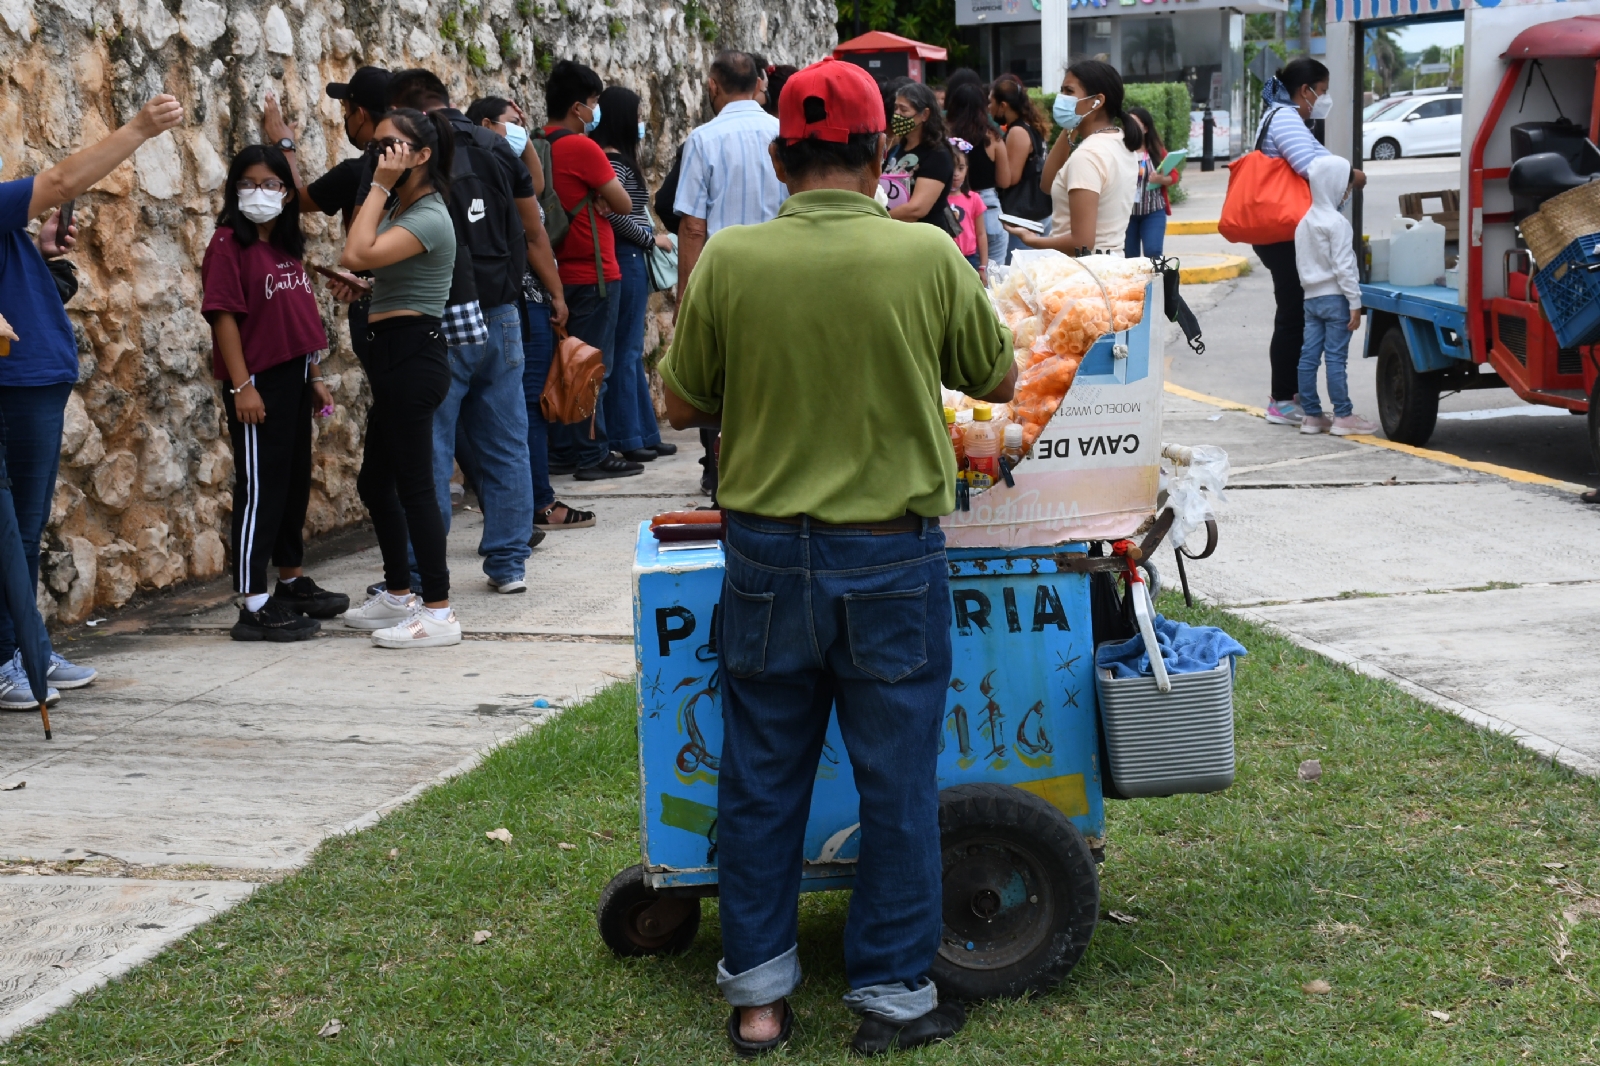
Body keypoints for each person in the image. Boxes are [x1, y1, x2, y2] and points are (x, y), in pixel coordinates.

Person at [658, 56, 1016, 1058]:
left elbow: (682, 400)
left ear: (780, 158)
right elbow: (993, 372)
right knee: (894, 781)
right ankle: (892, 995)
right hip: (891, 559)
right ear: (878, 157)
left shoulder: (731, 259)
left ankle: (762, 996)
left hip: (767, 556)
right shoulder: (925, 253)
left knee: (761, 775)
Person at [0, 91, 182, 706]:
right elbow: (60, 179)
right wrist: (137, 128)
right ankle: (9, 657)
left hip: (35, 380)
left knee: (23, 533)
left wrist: (40, 247)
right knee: (10, 534)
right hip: (12, 383)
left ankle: (30, 649)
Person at [385, 69, 559, 595]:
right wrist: (555, 294)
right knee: (507, 441)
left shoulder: (415, 151)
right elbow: (533, 229)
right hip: (502, 312)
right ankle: (509, 564)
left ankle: (419, 572)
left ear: (409, 110)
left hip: (439, 316)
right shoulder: (497, 147)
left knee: (431, 445)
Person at [202, 145, 348, 642]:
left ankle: (289, 579)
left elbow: (295, 320)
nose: (258, 193)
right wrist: (243, 386)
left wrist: (314, 376)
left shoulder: (285, 246)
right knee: (260, 488)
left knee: (289, 484)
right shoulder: (227, 243)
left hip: (292, 378)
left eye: (271, 185)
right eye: (248, 183)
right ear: (233, 189)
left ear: (287, 194)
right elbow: (223, 316)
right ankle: (253, 603)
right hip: (256, 382)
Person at [336, 109, 462, 648]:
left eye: (392, 145)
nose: (380, 153)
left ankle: (437, 611)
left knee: (414, 489)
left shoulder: (430, 213)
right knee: (375, 482)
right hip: (393, 354)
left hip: (414, 356)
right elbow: (370, 263)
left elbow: (355, 251)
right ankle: (399, 593)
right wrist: (364, 289)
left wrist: (379, 186)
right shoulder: (403, 208)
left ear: (422, 155)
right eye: (377, 145)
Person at [673, 49, 786, 499]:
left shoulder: (703, 139)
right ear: (759, 83)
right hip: (784, 271)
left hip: (726, 280)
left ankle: (723, 471)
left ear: (713, 86)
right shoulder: (783, 132)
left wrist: (686, 295)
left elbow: (692, 225)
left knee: (722, 375)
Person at [541, 59, 640, 483]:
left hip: (556, 272)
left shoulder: (537, 143)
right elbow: (624, 204)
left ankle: (564, 448)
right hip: (595, 273)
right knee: (591, 366)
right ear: (579, 106)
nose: (596, 111)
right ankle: (592, 453)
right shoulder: (583, 148)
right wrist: (602, 198)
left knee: (563, 363)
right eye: (594, 102)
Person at [1254, 57, 1367, 426]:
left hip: (1286, 231)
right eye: (1323, 91)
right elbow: (1312, 168)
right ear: (1306, 91)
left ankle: (1293, 397)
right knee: (1293, 315)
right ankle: (1283, 400)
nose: (1324, 99)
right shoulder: (1286, 117)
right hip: (1285, 231)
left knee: (1297, 315)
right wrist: (1351, 174)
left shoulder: (1284, 116)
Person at [265, 67, 389, 362]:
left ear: (360, 114)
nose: (346, 120)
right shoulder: (424, 163)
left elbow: (293, 200)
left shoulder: (355, 173)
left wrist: (285, 148)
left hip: (373, 302)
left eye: (346, 112)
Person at [591, 86, 673, 466]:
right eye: (637, 115)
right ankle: (629, 434)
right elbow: (617, 213)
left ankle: (643, 433)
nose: (642, 122)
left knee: (630, 350)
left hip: (629, 256)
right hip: (625, 255)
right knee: (625, 351)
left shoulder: (617, 159)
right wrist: (649, 240)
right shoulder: (616, 162)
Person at [1004, 60, 1140, 257]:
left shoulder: (1087, 157)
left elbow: (1082, 242)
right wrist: (1072, 125)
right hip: (1109, 266)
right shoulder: (1120, 142)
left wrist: (1033, 240)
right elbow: (1048, 184)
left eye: (1069, 91)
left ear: (1097, 101)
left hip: (1082, 274)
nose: (1061, 98)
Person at [1296, 156, 1376, 437]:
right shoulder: (1337, 223)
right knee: (1335, 359)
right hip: (1336, 298)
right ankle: (1343, 415)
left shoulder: (1303, 223)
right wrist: (1355, 302)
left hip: (1311, 300)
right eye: (1345, 188)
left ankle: (1312, 416)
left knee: (1308, 358)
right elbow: (1344, 266)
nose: (1346, 193)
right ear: (1333, 186)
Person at [945, 83, 1009, 272]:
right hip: (988, 208)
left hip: (952, 208)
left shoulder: (946, 138)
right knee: (993, 277)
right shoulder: (993, 137)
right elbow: (1005, 180)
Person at [990, 75, 1053, 257]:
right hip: (1038, 209)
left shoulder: (1017, 131)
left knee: (1019, 271)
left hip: (1023, 216)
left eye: (991, 102)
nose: (988, 108)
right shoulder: (1030, 126)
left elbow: (1012, 177)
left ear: (1003, 105)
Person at [885, 82, 955, 232]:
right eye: (896, 108)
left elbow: (917, 209)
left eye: (904, 109)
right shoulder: (896, 150)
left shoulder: (937, 155)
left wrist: (880, 218)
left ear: (924, 114)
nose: (897, 114)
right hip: (897, 233)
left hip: (925, 236)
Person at [1124, 105, 1180, 259]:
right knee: (1130, 258)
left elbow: (1174, 176)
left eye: (1135, 124)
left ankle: (1153, 283)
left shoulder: (1156, 150)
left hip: (1153, 211)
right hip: (1127, 214)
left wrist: (1161, 179)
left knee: (1153, 253)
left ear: (1146, 129)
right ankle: (1141, 285)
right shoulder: (1121, 150)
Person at [947, 145, 988, 274]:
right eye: (952, 167)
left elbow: (981, 234)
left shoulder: (974, 198)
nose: (956, 173)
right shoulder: (936, 199)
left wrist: (983, 266)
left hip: (968, 258)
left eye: (961, 168)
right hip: (945, 257)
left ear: (967, 170)